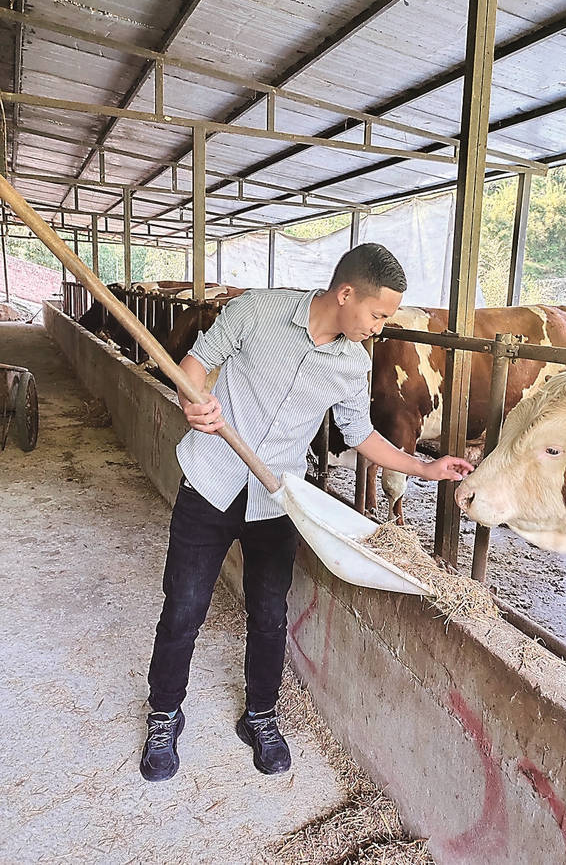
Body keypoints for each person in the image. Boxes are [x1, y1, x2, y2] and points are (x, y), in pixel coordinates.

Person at [140, 243, 473, 782]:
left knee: (270, 615)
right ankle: (164, 713)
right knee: (183, 606)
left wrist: (423, 468)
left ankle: (261, 716)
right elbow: (196, 365)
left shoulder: (351, 364)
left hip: (276, 499)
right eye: (377, 314)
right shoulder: (258, 310)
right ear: (346, 295)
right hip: (211, 481)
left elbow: (359, 434)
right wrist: (192, 400)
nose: (380, 327)